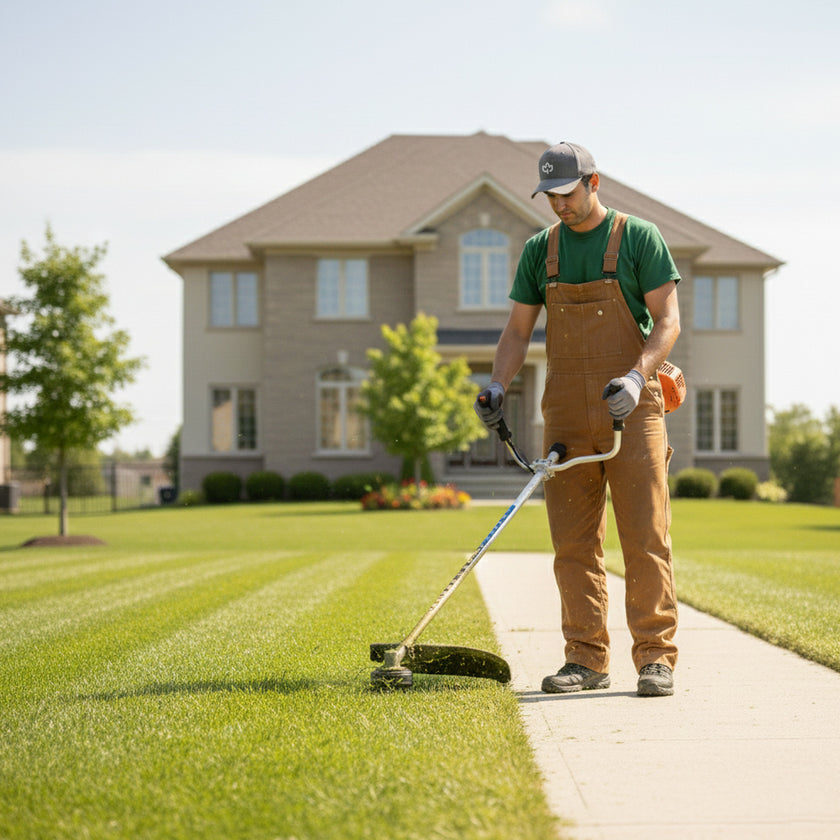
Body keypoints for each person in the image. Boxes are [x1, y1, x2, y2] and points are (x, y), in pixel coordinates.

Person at [474, 141, 681, 697]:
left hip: (632, 408)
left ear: (594, 183)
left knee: (645, 536)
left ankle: (655, 658)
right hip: (565, 410)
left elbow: (667, 321)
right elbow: (517, 331)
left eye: (567, 193)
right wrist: (498, 384)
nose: (559, 205)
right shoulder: (539, 250)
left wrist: (636, 377)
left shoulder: (638, 237)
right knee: (572, 544)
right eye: (550, 196)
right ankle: (585, 660)